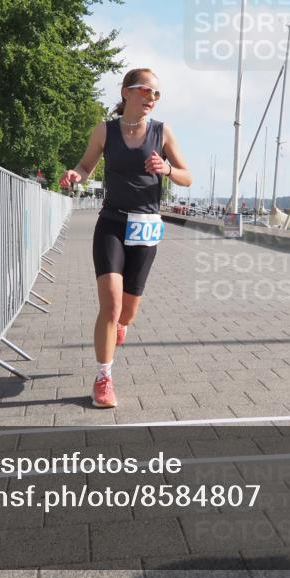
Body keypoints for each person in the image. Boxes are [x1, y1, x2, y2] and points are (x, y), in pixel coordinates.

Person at [59, 68, 192, 408]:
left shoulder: (163, 133)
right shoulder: (105, 130)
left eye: (157, 94)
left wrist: (167, 170)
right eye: (146, 91)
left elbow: (187, 177)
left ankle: (121, 326)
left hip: (146, 226)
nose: (152, 99)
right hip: (112, 223)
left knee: (128, 313)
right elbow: (87, 165)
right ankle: (104, 378)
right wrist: (76, 174)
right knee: (111, 304)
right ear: (127, 92)